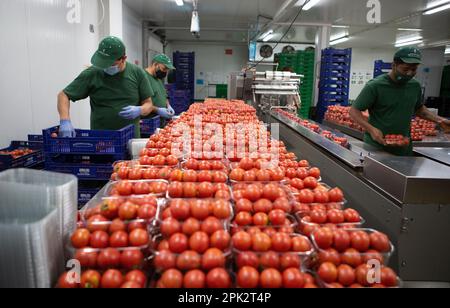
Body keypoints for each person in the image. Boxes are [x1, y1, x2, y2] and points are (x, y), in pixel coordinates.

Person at [350, 47, 450, 156]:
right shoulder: (375, 86)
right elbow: (354, 111)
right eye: (405, 69)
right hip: (376, 146)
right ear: (393, 65)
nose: (409, 73)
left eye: (414, 69)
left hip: (404, 146)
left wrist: (439, 120)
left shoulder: (414, 86)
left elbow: (419, 109)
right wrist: (371, 129)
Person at [57, 36, 160, 138]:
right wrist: (65, 120)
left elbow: (148, 104)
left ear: (123, 59)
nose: (105, 67)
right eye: (103, 63)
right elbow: (64, 95)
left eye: (110, 64)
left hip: (130, 139)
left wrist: (140, 110)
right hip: (101, 141)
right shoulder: (92, 73)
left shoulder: (137, 73)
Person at [144, 54, 176, 126]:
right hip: (148, 123)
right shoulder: (144, 77)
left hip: (160, 121)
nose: (165, 72)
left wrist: (168, 105)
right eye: (164, 69)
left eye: (167, 70)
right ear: (155, 64)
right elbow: (141, 103)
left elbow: (164, 94)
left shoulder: (158, 78)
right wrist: (157, 110)